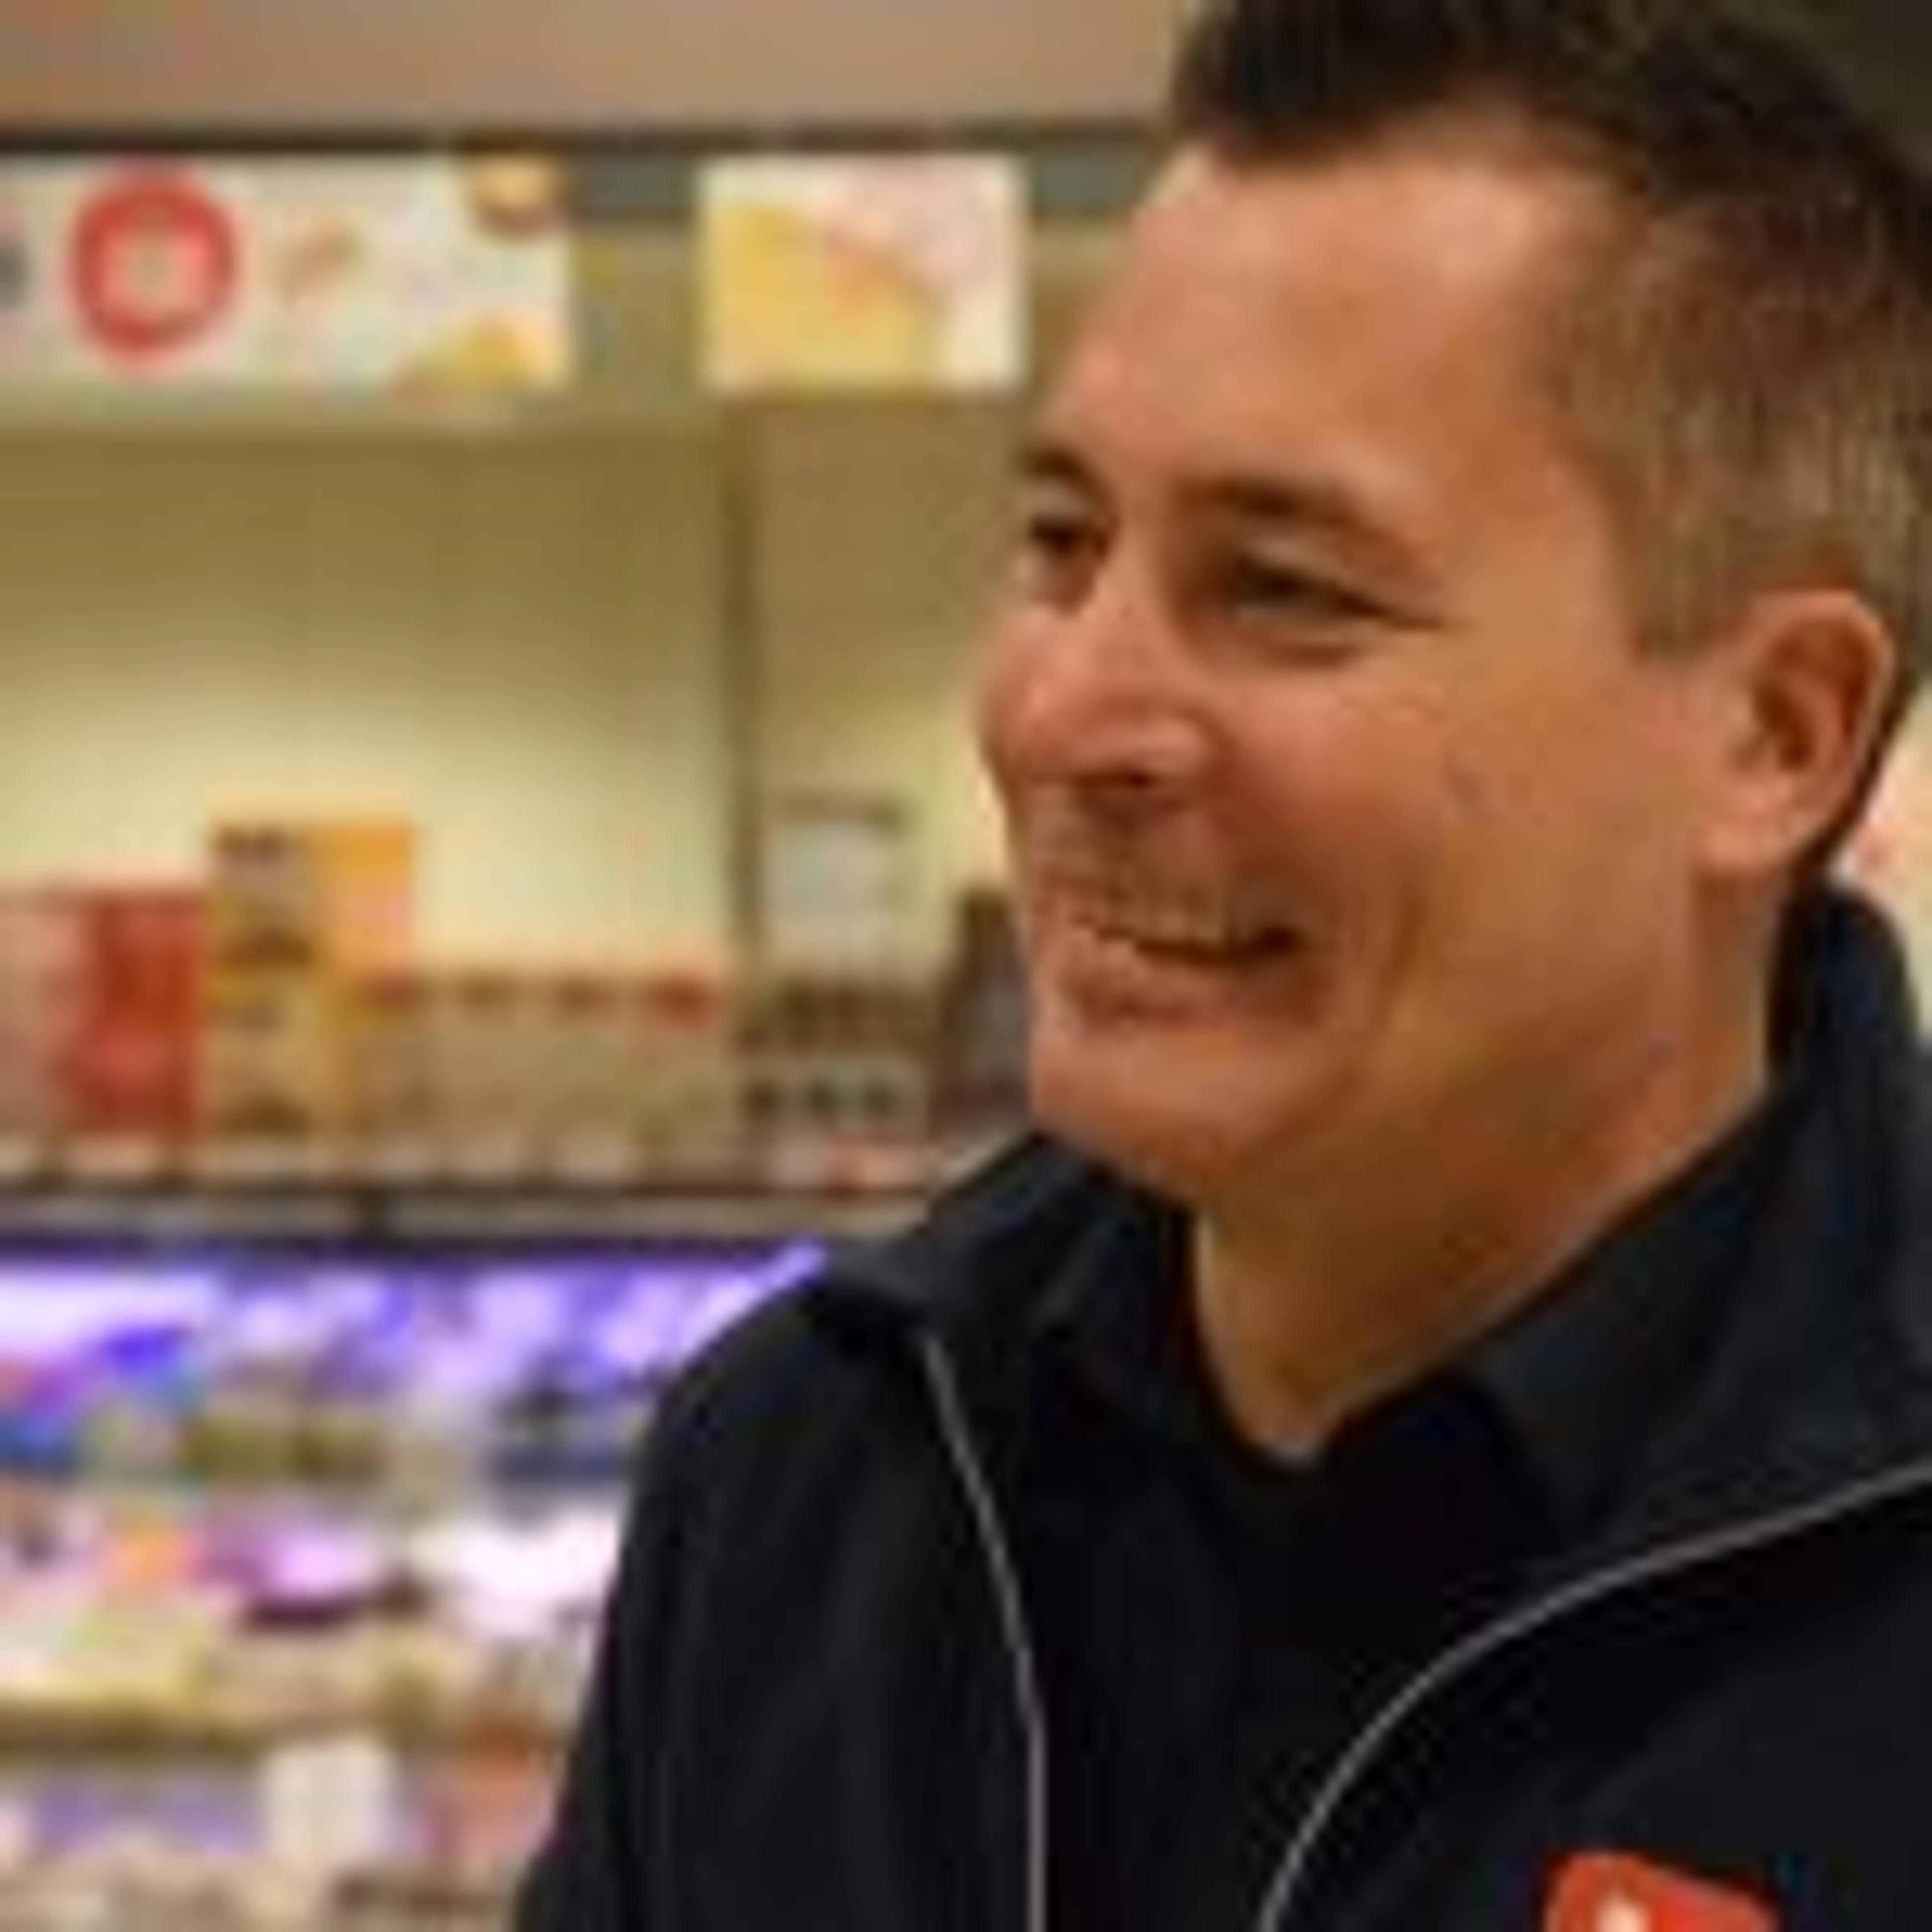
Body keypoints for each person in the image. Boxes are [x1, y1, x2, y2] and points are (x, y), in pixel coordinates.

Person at [516, 1, 1932, 1925]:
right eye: (1060, 540)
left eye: (1284, 589)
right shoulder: (807, 1471)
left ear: (1774, 733)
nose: (1062, 714)